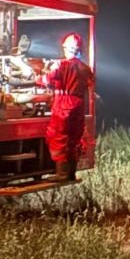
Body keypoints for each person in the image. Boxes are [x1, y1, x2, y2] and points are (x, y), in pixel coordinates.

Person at [40, 33, 95, 181]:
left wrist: (35, 76)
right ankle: (71, 173)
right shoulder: (85, 68)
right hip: (78, 104)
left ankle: (62, 173)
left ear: (67, 48)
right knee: (74, 138)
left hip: (63, 104)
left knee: (58, 137)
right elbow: (90, 84)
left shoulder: (61, 65)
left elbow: (46, 80)